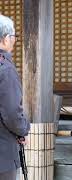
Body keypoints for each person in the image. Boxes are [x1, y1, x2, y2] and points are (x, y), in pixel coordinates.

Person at [0, 15, 30, 180]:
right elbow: (11, 113)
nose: (14, 41)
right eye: (13, 37)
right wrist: (22, 130)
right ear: (5, 39)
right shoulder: (5, 70)